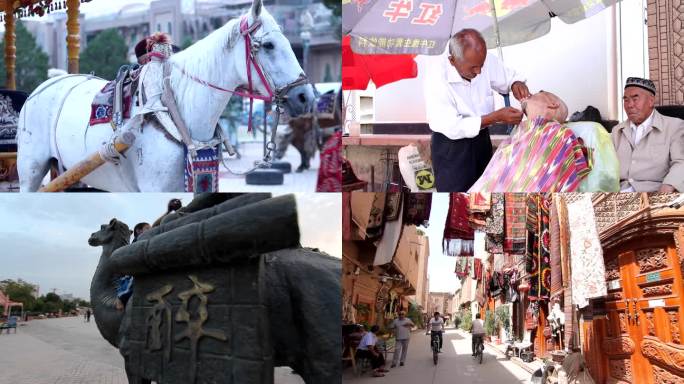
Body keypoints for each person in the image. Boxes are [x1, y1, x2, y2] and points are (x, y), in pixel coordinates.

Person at [423, 28, 531, 192]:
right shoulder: (436, 77)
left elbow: (507, 78)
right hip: (451, 147)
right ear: (453, 61)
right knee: (458, 197)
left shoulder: (481, 59)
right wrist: (495, 117)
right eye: (473, 67)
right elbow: (453, 126)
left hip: (481, 139)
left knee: (486, 191)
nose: (479, 71)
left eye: (481, 65)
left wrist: (516, 83)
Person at [468, 91, 598, 192]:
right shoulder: (518, 134)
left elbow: (575, 167)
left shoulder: (560, 134)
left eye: (534, 95)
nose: (528, 96)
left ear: (552, 104)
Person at [611, 77, 684, 192]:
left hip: (655, 193)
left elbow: (681, 162)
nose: (629, 105)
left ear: (651, 101)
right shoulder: (617, 131)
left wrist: (669, 186)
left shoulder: (674, 126)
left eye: (635, 99)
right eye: (626, 100)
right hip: (620, 194)